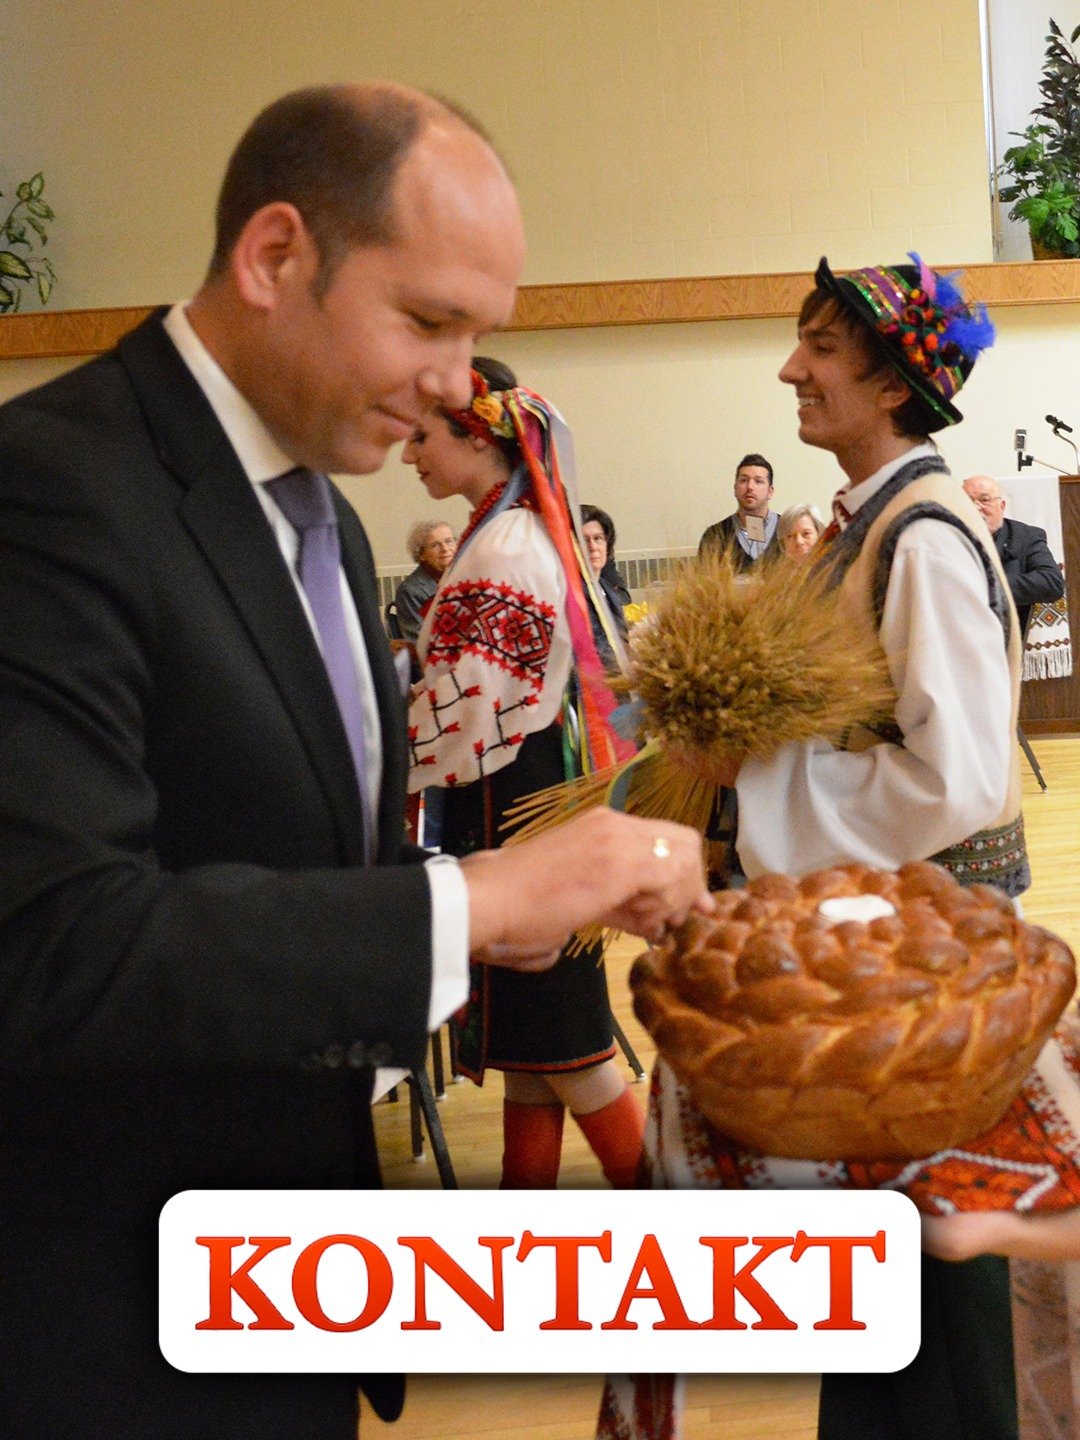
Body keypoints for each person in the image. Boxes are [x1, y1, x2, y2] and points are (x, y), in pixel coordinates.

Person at [0, 82, 714, 1440]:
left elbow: (293, 855)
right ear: (276, 257)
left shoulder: (318, 511)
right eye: (428, 322)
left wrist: (486, 909)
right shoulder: (52, 488)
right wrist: (472, 902)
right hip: (102, 1326)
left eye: (477, 335)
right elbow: (52, 946)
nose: (458, 381)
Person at [404, 370, 646, 1190]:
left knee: (570, 1046)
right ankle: (522, 1212)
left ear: (477, 435)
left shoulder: (507, 545)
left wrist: (384, 741)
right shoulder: (503, 530)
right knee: (537, 1055)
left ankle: (671, 1209)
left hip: (517, 802)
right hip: (520, 793)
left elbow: (473, 706)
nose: (408, 453)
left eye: (423, 435)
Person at [962, 474, 1065, 634]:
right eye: (967, 501)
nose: (976, 508)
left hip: (1007, 636)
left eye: (985, 500)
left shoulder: (1025, 536)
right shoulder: (947, 537)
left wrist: (987, 584)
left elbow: (1052, 582)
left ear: (1001, 505)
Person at [697, 452, 779, 569]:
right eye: (744, 480)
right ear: (735, 489)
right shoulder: (715, 535)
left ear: (770, 491)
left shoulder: (789, 530)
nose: (750, 487)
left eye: (758, 481)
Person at [581, 501, 631, 668]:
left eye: (598, 538)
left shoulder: (606, 588)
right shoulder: (573, 595)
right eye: (584, 540)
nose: (593, 547)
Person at [393, 518, 456, 644]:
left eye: (449, 541)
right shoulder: (409, 591)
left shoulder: (462, 577)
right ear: (421, 555)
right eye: (435, 545)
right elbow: (419, 641)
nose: (445, 548)